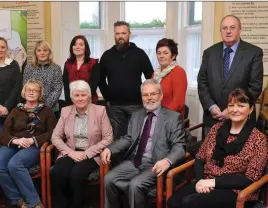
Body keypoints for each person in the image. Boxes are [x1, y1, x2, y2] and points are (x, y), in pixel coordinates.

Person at [167, 88, 268, 208]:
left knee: (189, 203)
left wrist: (213, 182)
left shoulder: (258, 139)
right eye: (231, 105)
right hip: (205, 181)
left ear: (250, 109)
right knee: (173, 202)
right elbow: (199, 158)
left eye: (241, 105)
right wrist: (200, 181)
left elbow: (250, 179)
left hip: (235, 190)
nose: (235, 110)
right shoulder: (216, 129)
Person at [101, 79, 186, 208]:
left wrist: (167, 161)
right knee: (108, 179)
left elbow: (179, 146)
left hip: (156, 163)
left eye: (153, 94)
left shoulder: (173, 117)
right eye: (145, 95)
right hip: (135, 161)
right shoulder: (136, 115)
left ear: (161, 95)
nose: (149, 98)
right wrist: (110, 149)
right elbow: (128, 138)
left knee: (135, 185)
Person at [0, 79, 57, 208]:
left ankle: (35, 203)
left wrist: (33, 140)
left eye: (35, 90)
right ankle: (18, 199)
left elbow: (53, 133)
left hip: (34, 146)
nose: (31, 92)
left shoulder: (46, 111)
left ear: (40, 94)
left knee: (15, 164)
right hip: (14, 143)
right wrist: (15, 140)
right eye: (28, 90)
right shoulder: (15, 110)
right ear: (24, 92)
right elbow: (3, 134)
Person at [197, 14, 263, 137]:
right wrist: (211, 106)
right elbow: (202, 82)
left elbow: (255, 87)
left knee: (238, 156)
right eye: (224, 28)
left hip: (241, 119)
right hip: (213, 118)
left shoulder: (254, 53)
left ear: (239, 29)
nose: (228, 31)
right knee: (209, 154)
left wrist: (232, 109)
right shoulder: (209, 53)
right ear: (220, 31)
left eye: (232, 27)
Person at [51, 80, 113, 208]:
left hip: (91, 153)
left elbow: (108, 138)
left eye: (83, 95)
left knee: (76, 175)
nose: (80, 98)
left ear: (89, 96)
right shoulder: (65, 111)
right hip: (70, 151)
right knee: (58, 172)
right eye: (77, 95)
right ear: (72, 97)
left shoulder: (100, 111)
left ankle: (77, 205)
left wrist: (87, 153)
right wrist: (70, 153)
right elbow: (55, 137)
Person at [99, 21, 154, 141]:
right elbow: (101, 79)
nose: (120, 36)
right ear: (114, 35)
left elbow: (150, 77)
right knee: (117, 138)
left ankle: (136, 160)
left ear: (129, 34)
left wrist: (146, 96)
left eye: (123, 33)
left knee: (136, 137)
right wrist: (107, 98)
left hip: (136, 105)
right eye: (117, 33)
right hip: (115, 106)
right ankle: (120, 160)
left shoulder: (140, 54)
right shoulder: (107, 56)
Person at [23, 40, 62, 118]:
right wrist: (35, 105)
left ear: (49, 52)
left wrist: (44, 107)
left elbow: (57, 89)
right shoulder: (28, 68)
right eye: (39, 50)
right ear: (35, 53)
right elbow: (25, 87)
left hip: (52, 109)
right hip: (32, 109)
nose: (42, 53)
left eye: (45, 50)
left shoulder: (56, 68)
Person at [153, 38, 187, 118]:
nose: (161, 56)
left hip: (171, 119)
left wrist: (160, 117)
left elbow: (178, 102)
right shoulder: (155, 74)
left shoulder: (179, 72)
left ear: (173, 56)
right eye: (159, 53)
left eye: (165, 53)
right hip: (156, 116)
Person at [63, 35, 100, 104]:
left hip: (89, 102)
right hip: (71, 102)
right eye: (75, 44)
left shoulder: (93, 63)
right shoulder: (68, 64)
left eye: (81, 44)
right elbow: (66, 86)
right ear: (72, 48)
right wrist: (70, 101)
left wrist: (82, 99)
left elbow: (93, 86)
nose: (77, 47)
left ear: (85, 47)